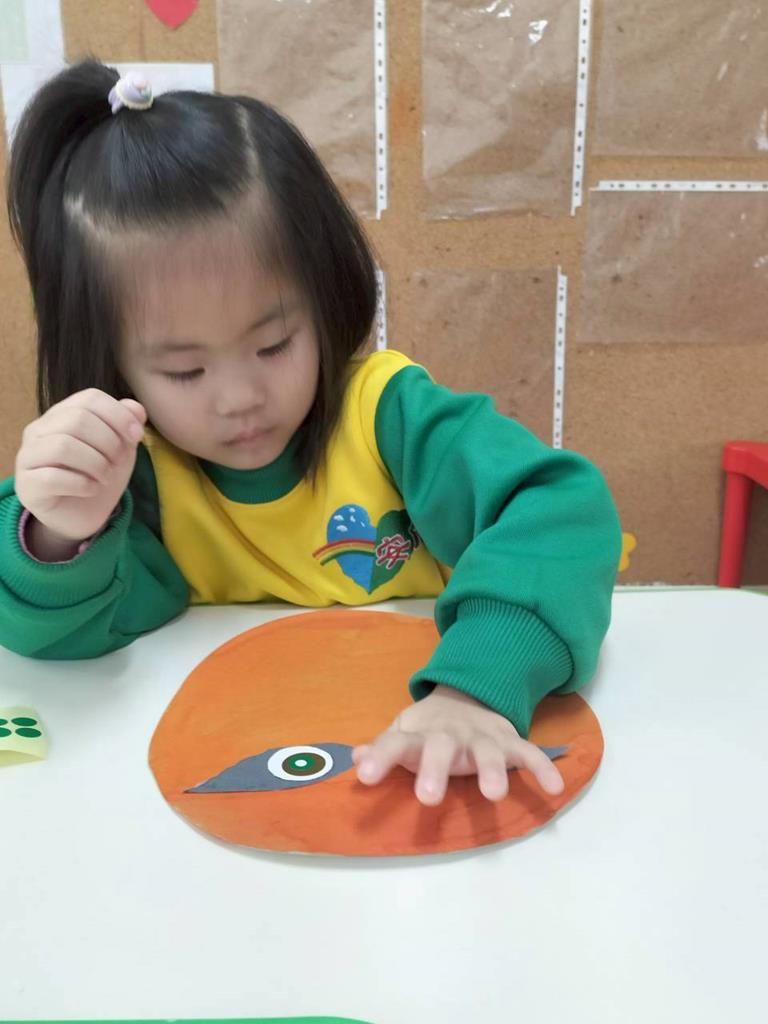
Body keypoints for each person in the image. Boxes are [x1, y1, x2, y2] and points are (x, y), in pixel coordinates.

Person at [0, 60, 622, 807]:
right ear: (112, 365)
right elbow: (65, 644)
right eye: (184, 371)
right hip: (245, 779)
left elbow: (562, 510)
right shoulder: (139, 479)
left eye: (273, 345)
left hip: (439, 756)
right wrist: (60, 536)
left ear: (326, 299)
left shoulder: (389, 416)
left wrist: (476, 688)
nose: (240, 398)